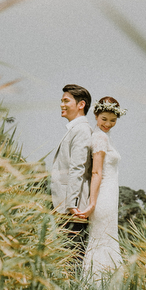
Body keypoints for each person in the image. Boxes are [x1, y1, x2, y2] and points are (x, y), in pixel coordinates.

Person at [75, 95, 124, 282]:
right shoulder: (100, 138)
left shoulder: (103, 137)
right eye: (104, 119)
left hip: (109, 196)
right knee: (102, 239)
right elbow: (96, 172)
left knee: (106, 238)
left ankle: (103, 284)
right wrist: (92, 203)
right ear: (96, 115)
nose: (108, 124)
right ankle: (99, 284)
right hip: (102, 196)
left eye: (113, 121)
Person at [50, 84, 93, 274]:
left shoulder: (82, 130)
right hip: (65, 205)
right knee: (64, 255)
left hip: (72, 207)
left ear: (81, 104)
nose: (61, 105)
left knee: (73, 256)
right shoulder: (74, 129)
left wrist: (72, 205)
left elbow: (78, 168)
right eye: (62, 101)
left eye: (66, 100)